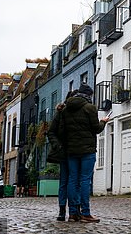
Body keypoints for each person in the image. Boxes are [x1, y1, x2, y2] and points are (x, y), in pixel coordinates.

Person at [57, 83, 108, 223]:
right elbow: (96, 129)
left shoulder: (66, 109)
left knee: (72, 180)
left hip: (71, 150)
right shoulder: (90, 108)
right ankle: (86, 213)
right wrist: (103, 122)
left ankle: (73, 213)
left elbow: (61, 131)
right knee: (85, 180)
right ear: (88, 95)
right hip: (87, 150)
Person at [47, 90, 76, 221]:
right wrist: (57, 146)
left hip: (76, 152)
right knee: (64, 182)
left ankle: (75, 210)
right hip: (65, 152)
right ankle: (62, 210)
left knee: (73, 182)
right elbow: (51, 132)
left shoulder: (79, 112)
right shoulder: (60, 113)